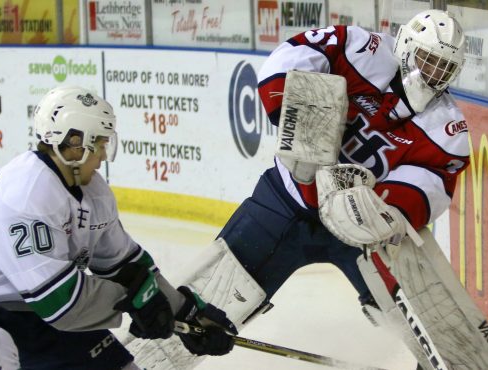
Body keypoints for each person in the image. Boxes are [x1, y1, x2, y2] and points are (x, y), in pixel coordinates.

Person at [137, 8, 470, 370]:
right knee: (201, 313)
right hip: (284, 202)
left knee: (428, 320)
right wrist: (292, 116)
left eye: (443, 67)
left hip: (360, 237)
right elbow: (289, 58)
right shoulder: (362, 48)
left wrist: (377, 213)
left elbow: (429, 186)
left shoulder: (447, 129)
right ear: (405, 46)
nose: (433, 73)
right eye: (427, 59)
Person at [0, 86, 237, 370]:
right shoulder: (24, 195)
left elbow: (128, 267)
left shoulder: (94, 192)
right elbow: (60, 302)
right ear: (73, 144)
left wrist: (186, 312)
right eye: (100, 143)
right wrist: (137, 304)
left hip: (34, 315)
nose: (104, 155)